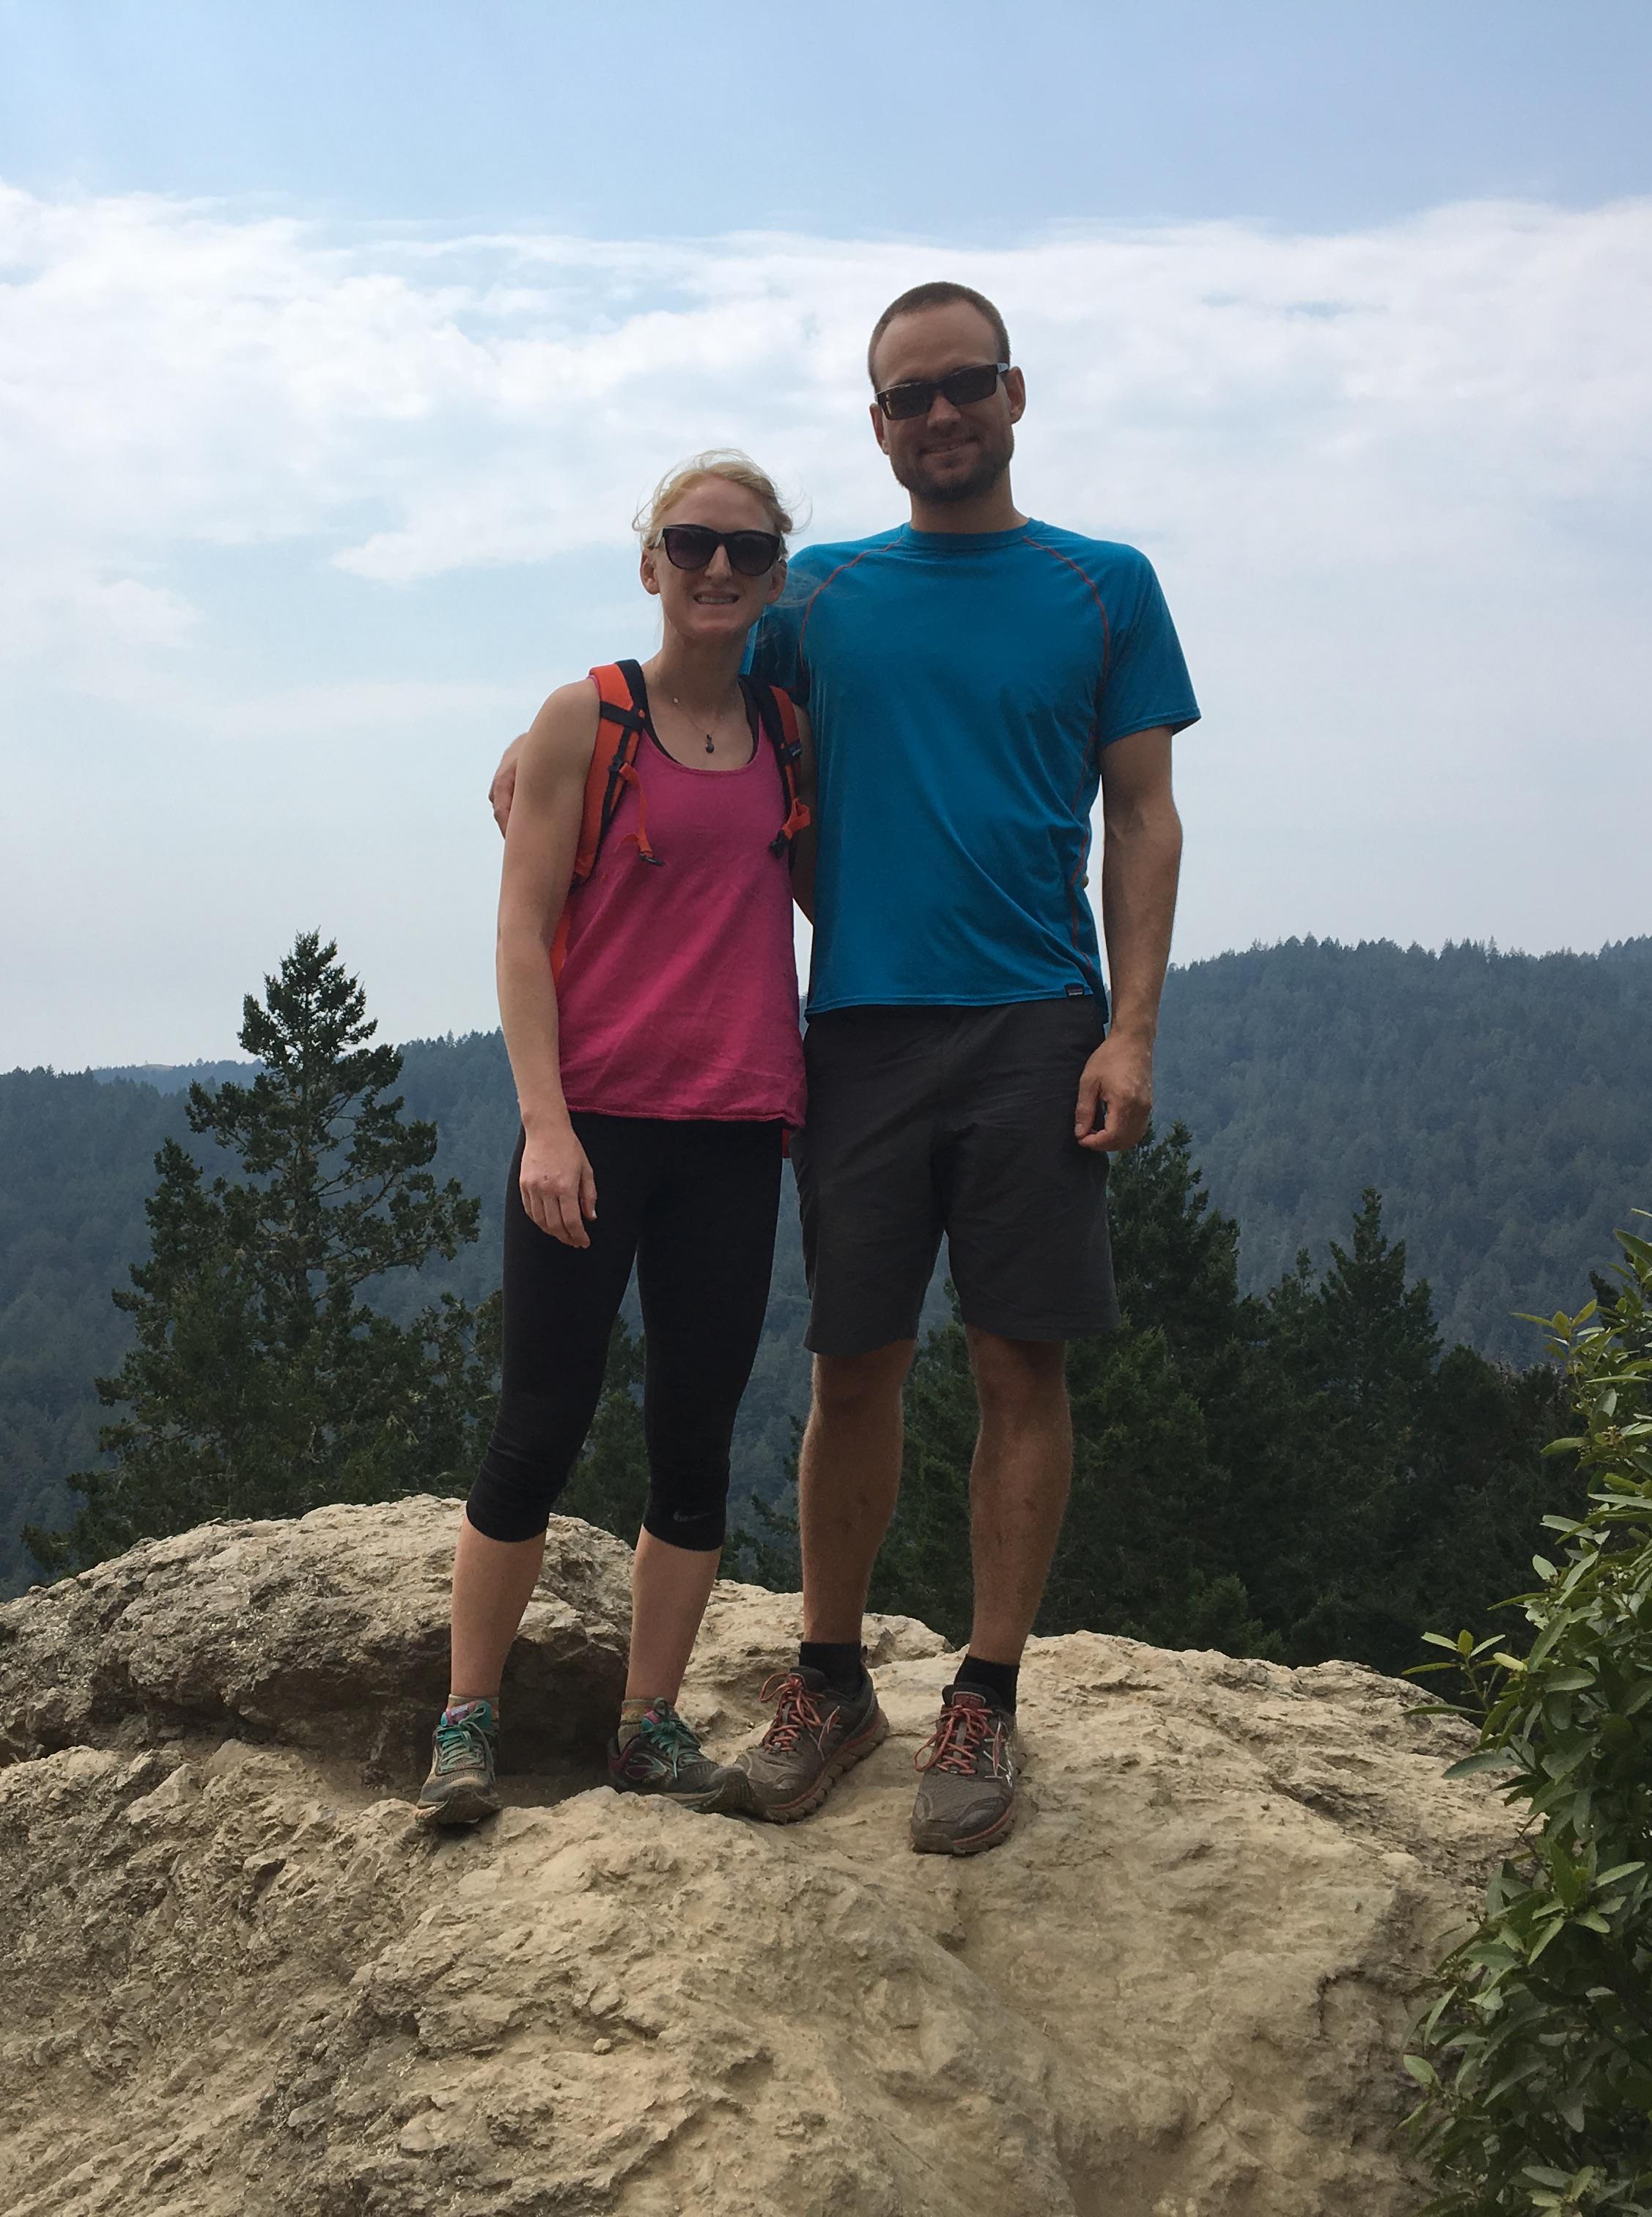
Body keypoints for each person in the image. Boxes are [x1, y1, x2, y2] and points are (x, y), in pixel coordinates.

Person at [492, 282, 1195, 1857]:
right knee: (850, 1368)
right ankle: (831, 1674)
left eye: (966, 386)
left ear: (1016, 395)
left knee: (1020, 1365)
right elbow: (682, 688)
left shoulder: (1106, 587)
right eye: (909, 397)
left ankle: (986, 1694)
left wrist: (1133, 1028)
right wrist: (538, 752)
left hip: (1036, 1023)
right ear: (878, 429)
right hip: (858, 1028)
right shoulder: (824, 601)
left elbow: (1142, 817)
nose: (941, 416)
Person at [420, 451, 812, 1828]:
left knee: (695, 1439)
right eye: (693, 542)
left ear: (777, 577)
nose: (719, 568)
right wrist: (545, 1125)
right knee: (538, 1423)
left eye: (748, 551)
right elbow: (522, 933)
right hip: (589, 1127)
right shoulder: (589, 721)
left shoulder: (788, 732)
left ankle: (647, 1727)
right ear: (650, 563)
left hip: (733, 1126)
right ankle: (466, 1720)